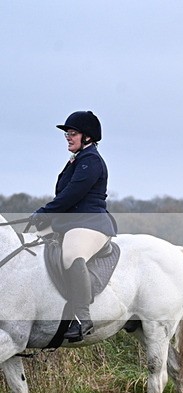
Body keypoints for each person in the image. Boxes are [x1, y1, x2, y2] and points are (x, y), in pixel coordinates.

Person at [30, 111, 116, 342]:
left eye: (73, 133)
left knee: (71, 255)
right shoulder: (77, 160)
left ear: (87, 137)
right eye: (67, 133)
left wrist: (45, 212)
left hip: (91, 223)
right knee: (32, 243)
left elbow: (72, 194)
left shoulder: (91, 161)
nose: (68, 137)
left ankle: (83, 319)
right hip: (72, 222)